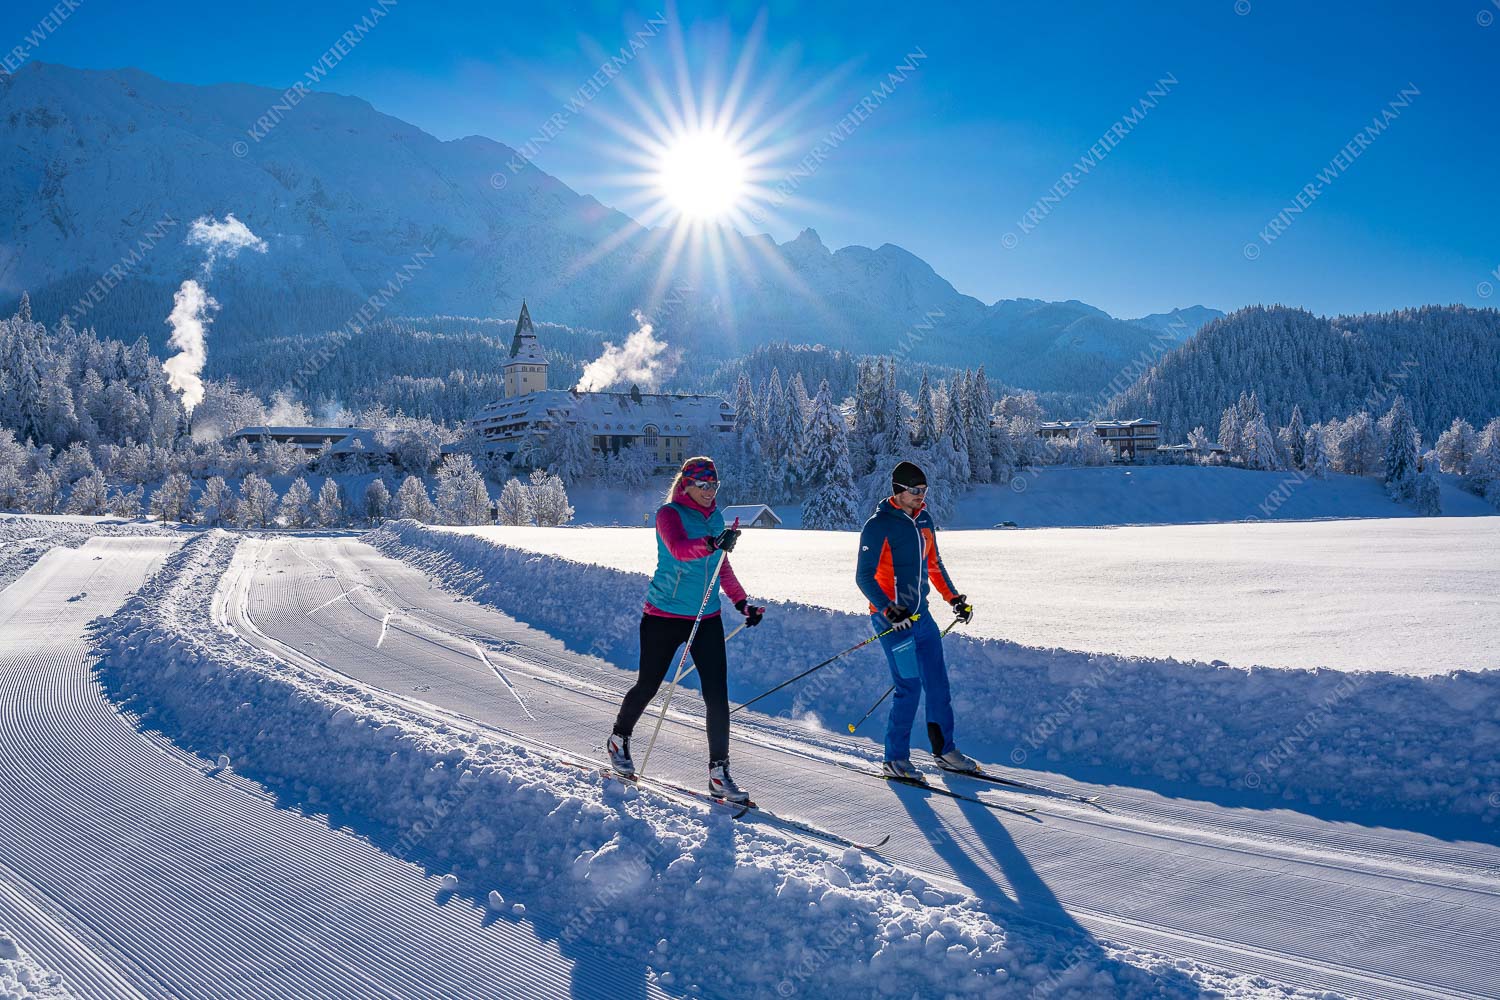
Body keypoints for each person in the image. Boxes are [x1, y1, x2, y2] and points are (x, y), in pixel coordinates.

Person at [608, 456, 766, 802]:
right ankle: (619, 738)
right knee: (648, 685)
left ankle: (719, 773)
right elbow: (679, 551)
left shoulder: (717, 518)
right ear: (686, 485)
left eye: (715, 486)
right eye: (704, 486)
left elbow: (721, 568)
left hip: (706, 617)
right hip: (663, 615)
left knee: (716, 695)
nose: (710, 492)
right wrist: (712, 543)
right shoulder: (669, 515)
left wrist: (742, 604)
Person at [854, 460, 978, 783]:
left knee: (938, 684)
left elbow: (933, 565)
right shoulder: (878, 525)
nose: (921, 497)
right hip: (892, 622)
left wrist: (954, 598)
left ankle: (945, 752)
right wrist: (887, 609)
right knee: (909, 686)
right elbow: (864, 577)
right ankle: (894, 759)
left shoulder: (924, 520)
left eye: (924, 490)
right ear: (897, 491)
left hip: (922, 619)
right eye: (914, 491)